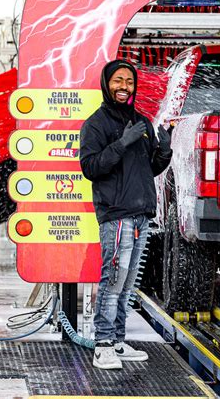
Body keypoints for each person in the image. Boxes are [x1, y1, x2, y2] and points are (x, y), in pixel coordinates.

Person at [79, 60, 172, 370]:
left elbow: (151, 168)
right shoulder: (96, 124)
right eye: (118, 81)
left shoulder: (142, 123)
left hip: (141, 213)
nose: (124, 87)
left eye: (129, 82)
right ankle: (102, 344)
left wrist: (164, 150)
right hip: (116, 215)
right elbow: (91, 168)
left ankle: (118, 341)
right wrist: (122, 143)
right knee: (113, 280)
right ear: (107, 84)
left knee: (128, 282)